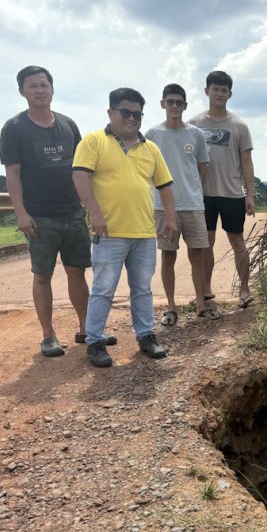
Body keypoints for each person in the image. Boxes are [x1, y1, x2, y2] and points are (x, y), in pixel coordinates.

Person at [0, 65, 108, 358]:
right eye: (32, 86)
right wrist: (21, 212)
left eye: (44, 84)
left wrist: (89, 207)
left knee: (77, 271)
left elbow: (82, 168)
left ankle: (87, 329)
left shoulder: (68, 124)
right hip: (39, 215)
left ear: (52, 88)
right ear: (22, 91)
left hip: (72, 211)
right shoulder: (14, 128)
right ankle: (48, 336)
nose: (39, 90)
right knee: (42, 274)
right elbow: (13, 173)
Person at [72, 88, 178, 368]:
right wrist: (94, 212)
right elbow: (80, 177)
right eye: (126, 112)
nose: (132, 118)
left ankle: (145, 336)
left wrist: (170, 217)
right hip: (108, 232)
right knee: (103, 288)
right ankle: (94, 340)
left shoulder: (150, 148)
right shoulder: (94, 142)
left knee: (142, 288)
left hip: (143, 232)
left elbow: (165, 185)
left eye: (137, 114)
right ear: (111, 113)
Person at [144, 83, 218, 325]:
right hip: (164, 207)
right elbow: (146, 170)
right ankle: (171, 307)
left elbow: (201, 169)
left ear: (185, 106)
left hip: (193, 205)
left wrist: (192, 191)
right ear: (163, 104)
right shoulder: (152, 135)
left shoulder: (195, 134)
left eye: (179, 102)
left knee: (198, 254)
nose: (174, 106)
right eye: (170, 101)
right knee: (168, 256)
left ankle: (200, 303)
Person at [190, 70, 256, 308]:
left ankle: (245, 289)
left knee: (238, 242)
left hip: (232, 193)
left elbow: (246, 162)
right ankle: (205, 291)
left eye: (224, 90)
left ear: (230, 94)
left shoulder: (239, 125)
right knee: (205, 244)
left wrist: (250, 194)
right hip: (203, 195)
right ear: (207, 91)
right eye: (215, 89)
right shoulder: (194, 124)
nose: (219, 93)